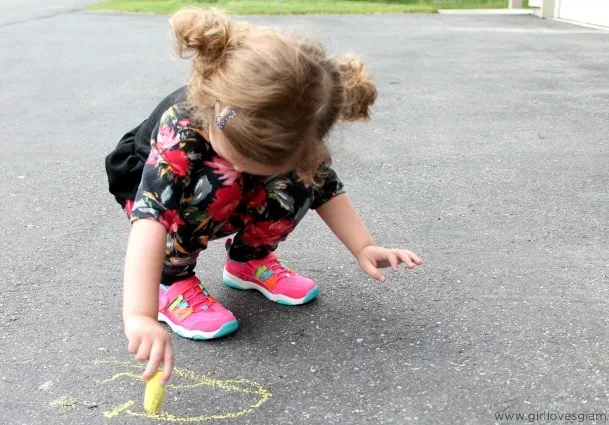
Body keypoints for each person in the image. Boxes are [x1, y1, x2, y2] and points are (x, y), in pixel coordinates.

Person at [105, 8, 422, 385]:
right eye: (249, 159)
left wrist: (364, 247)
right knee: (217, 184)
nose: (258, 170)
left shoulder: (290, 120)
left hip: (226, 165)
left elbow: (325, 186)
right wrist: (139, 315)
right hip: (153, 182)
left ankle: (249, 261)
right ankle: (171, 281)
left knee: (302, 178)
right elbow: (151, 220)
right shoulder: (189, 126)